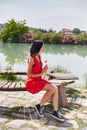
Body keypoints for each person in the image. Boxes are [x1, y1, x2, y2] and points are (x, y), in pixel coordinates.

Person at [26, 40, 64, 122]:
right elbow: (29, 74)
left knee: (55, 88)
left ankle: (55, 110)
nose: (44, 47)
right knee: (53, 88)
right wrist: (42, 72)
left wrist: (44, 66)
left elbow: (40, 69)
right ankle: (41, 106)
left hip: (39, 80)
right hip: (32, 82)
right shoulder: (31, 58)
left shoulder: (39, 56)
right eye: (43, 46)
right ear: (39, 47)